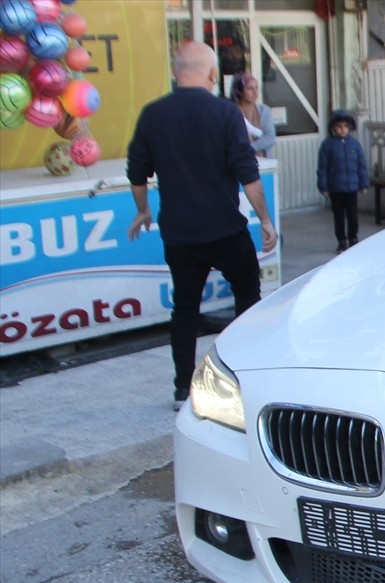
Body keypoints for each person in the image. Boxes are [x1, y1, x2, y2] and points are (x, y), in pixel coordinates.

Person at [126, 40, 277, 409]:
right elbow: (248, 174)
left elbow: (137, 173)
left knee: (185, 309)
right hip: (226, 229)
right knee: (247, 298)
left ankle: (182, 389)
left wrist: (143, 210)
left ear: (175, 72)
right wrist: (265, 221)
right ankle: (244, 380)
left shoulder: (152, 114)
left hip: (180, 233)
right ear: (212, 74)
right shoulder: (226, 114)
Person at [317, 110, 369, 253]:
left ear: (350, 127)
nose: (342, 129)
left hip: (351, 187)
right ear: (333, 128)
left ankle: (353, 238)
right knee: (339, 216)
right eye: (339, 126)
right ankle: (341, 240)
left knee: (353, 216)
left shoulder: (355, 145)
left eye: (345, 126)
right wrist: (323, 185)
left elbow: (361, 165)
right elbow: (323, 167)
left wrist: (364, 183)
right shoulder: (327, 145)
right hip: (335, 188)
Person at [230, 72, 275, 158]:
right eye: (250, 88)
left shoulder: (264, 110)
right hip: (237, 161)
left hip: (262, 161)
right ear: (240, 90)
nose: (255, 92)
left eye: (256, 87)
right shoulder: (231, 111)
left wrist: (248, 148)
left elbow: (270, 137)